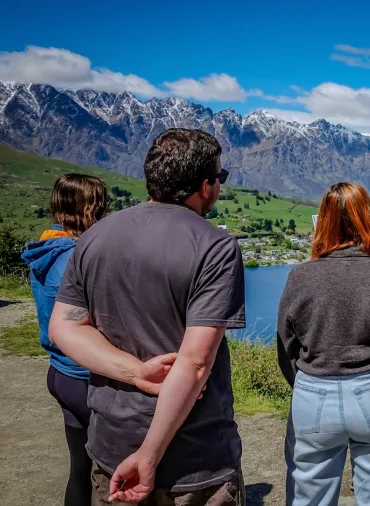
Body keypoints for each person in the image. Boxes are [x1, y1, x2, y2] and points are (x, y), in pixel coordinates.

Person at [50, 128, 246, 505]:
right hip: (194, 460)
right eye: (219, 178)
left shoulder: (95, 236)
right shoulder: (215, 246)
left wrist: (134, 371)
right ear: (205, 186)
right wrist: (149, 456)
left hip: (111, 445)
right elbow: (195, 362)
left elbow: (64, 326)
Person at [277, 182, 370, 506]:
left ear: (322, 221)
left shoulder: (300, 276)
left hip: (314, 394)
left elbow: (286, 346)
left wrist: (306, 383)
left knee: (308, 499)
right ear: (369, 220)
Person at [21, 174, 112, 506]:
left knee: (80, 468)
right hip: (86, 377)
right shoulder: (75, 258)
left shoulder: (48, 250)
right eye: (101, 204)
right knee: (111, 471)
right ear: (89, 208)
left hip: (61, 373)